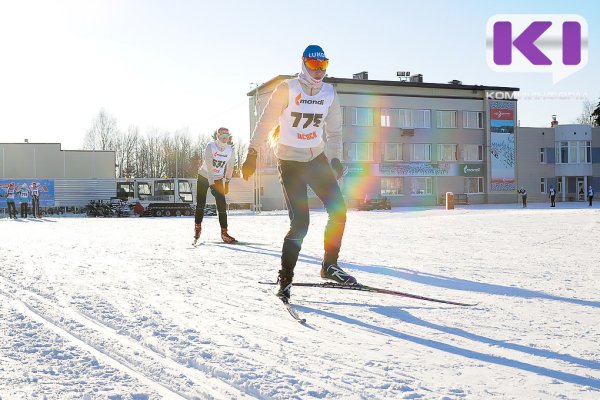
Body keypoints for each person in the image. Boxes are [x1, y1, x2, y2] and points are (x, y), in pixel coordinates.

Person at [242, 44, 356, 302]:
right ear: (303, 63)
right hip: (290, 161)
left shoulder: (329, 92)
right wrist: (252, 153)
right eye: (313, 65)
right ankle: (285, 278)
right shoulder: (287, 88)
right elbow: (266, 122)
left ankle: (329, 265)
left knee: (338, 211)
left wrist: (335, 160)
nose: (318, 70)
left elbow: (335, 132)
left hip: (316, 158)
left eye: (323, 65)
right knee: (300, 223)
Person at [193, 127, 237, 245]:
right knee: (201, 203)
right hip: (204, 176)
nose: (224, 139)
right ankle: (197, 227)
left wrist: (227, 181)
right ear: (217, 137)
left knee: (222, 204)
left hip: (217, 178)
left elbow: (231, 166)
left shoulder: (230, 150)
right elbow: (210, 165)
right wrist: (211, 184)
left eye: (227, 137)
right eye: (222, 137)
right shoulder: (210, 146)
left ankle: (224, 232)